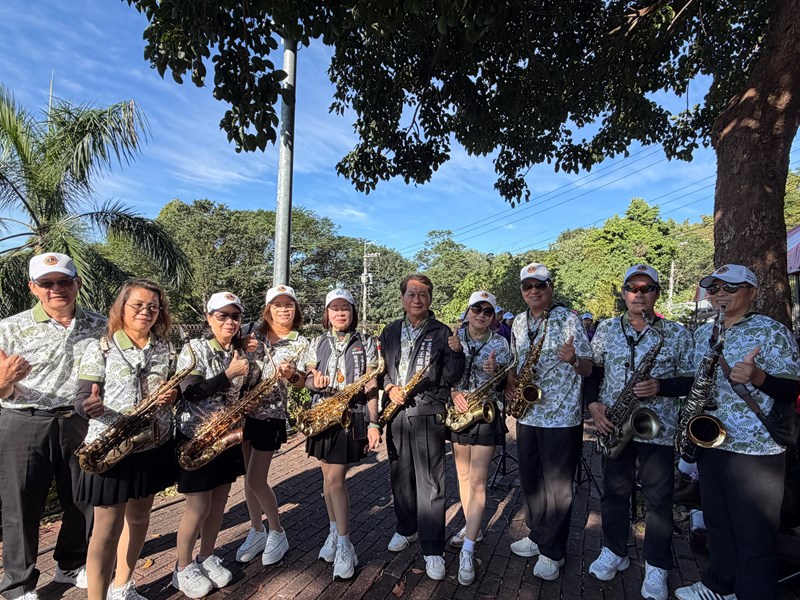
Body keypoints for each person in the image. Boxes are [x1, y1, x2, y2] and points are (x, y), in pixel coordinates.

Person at [675, 265, 800, 600]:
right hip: (711, 440)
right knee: (717, 521)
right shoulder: (704, 333)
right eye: (714, 288)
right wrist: (659, 386)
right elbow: (693, 381)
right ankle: (720, 584)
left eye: (729, 288)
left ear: (752, 291)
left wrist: (758, 378)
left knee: (755, 533)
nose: (720, 294)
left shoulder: (771, 331)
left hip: (755, 449)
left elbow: (791, 389)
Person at [0, 252, 106, 600]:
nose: (56, 288)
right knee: (21, 505)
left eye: (63, 281)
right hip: (24, 422)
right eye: (46, 283)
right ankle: (18, 585)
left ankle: (71, 564)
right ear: (33, 287)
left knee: (82, 498)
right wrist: (5, 379)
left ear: (77, 283)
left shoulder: (100, 325)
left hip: (79, 421)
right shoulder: (8, 328)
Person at [586, 264, 694, 600]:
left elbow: (690, 380)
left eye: (647, 288)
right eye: (632, 288)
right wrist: (593, 404)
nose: (639, 294)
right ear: (623, 293)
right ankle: (614, 550)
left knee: (659, 499)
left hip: (657, 427)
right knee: (613, 492)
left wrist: (661, 386)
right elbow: (593, 372)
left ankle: (657, 565)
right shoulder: (606, 329)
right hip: (615, 424)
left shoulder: (676, 333)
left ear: (656, 294)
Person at [75, 279, 179, 600]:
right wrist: (89, 405)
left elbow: (174, 388)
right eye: (138, 305)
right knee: (105, 531)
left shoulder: (165, 348)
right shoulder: (100, 347)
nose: (146, 311)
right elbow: (83, 396)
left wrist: (173, 395)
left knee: (139, 517)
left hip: (151, 445)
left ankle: (122, 586)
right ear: (122, 307)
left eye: (153, 307)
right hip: (111, 448)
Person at [505, 263, 593, 581]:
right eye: (527, 286)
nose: (534, 291)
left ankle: (553, 551)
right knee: (530, 480)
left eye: (539, 285)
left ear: (550, 287)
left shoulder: (568, 319)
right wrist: (511, 381)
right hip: (529, 413)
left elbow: (588, 367)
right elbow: (515, 361)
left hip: (561, 416)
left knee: (557, 487)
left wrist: (574, 359)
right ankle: (537, 534)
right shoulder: (518, 322)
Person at [379, 274, 465, 581]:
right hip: (396, 413)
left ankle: (433, 548)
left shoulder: (442, 332)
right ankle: (406, 529)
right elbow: (382, 371)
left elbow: (452, 377)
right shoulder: (390, 331)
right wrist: (389, 388)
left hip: (428, 413)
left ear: (430, 298)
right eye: (412, 294)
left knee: (431, 483)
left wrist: (457, 352)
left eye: (423, 294)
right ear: (402, 297)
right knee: (400, 476)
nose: (417, 299)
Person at [172, 292, 251, 598]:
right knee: (198, 506)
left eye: (235, 316)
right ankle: (182, 567)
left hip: (226, 437)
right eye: (222, 315)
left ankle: (206, 556)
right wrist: (229, 374)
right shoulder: (194, 349)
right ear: (209, 318)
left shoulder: (239, 351)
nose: (229, 321)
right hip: (197, 438)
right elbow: (190, 392)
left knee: (219, 502)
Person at [302, 288, 381, 580]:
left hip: (350, 416)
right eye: (334, 308)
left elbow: (371, 384)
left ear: (352, 311)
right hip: (322, 416)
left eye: (345, 308)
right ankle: (334, 532)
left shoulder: (366, 342)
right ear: (327, 313)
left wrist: (374, 422)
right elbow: (307, 379)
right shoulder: (317, 341)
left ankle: (346, 544)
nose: (340, 313)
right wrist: (315, 382)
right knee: (327, 480)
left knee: (335, 480)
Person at [236, 285, 307, 565]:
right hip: (241, 412)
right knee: (247, 477)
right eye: (277, 305)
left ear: (295, 308)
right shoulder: (250, 331)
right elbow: (227, 350)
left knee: (256, 478)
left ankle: (277, 531)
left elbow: (303, 381)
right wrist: (242, 346)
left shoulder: (300, 342)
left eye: (288, 304)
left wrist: (292, 375)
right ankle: (257, 530)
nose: (283, 309)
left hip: (271, 415)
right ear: (268, 309)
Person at [447, 290, 511, 586]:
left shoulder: (500, 343)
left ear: (493, 316)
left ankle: (469, 549)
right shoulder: (454, 338)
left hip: (486, 413)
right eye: (477, 309)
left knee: (478, 481)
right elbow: (445, 375)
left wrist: (496, 372)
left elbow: (506, 383)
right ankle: (472, 527)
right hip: (459, 413)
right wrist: (453, 392)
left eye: (487, 311)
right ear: (468, 311)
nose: (481, 315)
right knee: (462, 476)